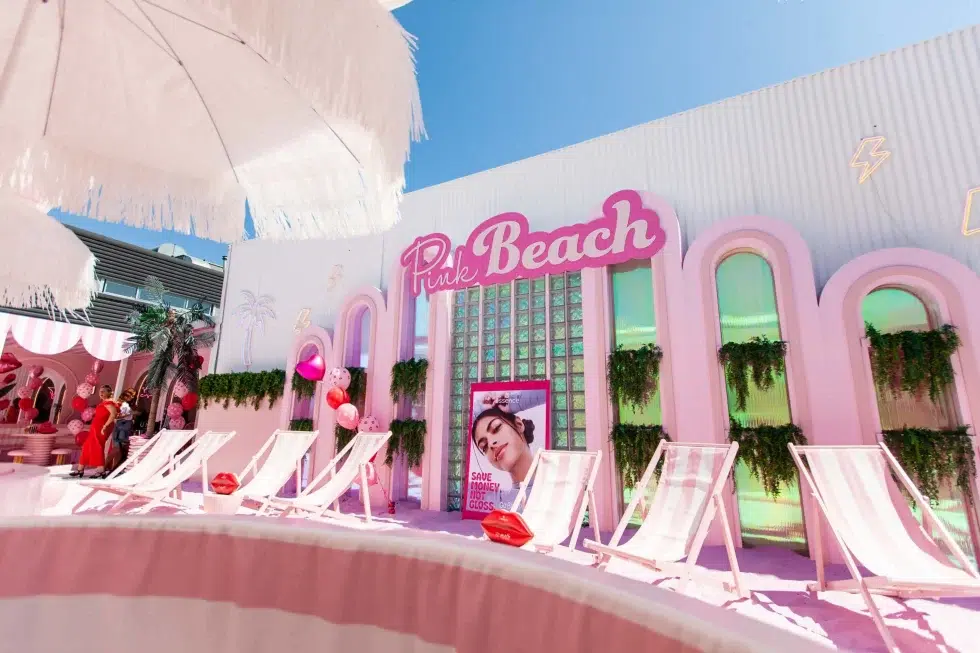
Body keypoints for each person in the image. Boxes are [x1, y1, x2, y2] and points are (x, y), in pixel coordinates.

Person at [471, 404, 537, 507]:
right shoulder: (498, 502)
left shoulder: (558, 485)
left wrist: (510, 400)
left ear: (519, 424)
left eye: (496, 428)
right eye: (484, 447)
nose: (491, 443)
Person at [70, 385, 118, 479]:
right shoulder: (102, 403)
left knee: (98, 447)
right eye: (100, 391)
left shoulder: (109, 403)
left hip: (101, 429)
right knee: (86, 447)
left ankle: (100, 470)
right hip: (95, 428)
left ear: (109, 393)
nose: (101, 393)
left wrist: (105, 426)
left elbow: (113, 415)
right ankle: (80, 469)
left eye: (103, 391)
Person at [104, 388, 136, 474]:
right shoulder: (124, 405)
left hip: (121, 425)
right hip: (123, 426)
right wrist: (131, 413)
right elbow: (119, 415)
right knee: (120, 448)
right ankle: (108, 468)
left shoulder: (120, 404)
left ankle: (112, 468)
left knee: (118, 449)